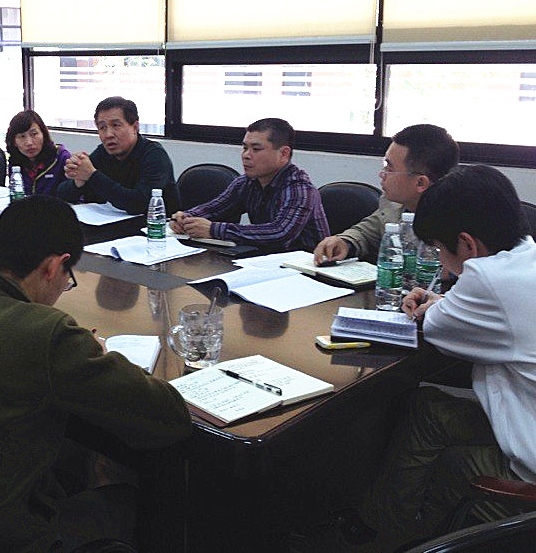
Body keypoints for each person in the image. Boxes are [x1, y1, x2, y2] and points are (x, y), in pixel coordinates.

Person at [0, 196, 191, 551]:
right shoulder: (47, 332)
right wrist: (101, 356)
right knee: (133, 496)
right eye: (68, 279)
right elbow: (169, 417)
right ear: (54, 266)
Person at [350, 165, 536, 548]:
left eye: (437, 249)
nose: (439, 259)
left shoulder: (487, 278)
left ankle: (397, 538)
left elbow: (434, 327)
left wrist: (433, 305)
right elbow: (478, 312)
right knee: (429, 409)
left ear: (467, 245)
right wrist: (446, 302)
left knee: (451, 465)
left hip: (529, 472)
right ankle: (382, 520)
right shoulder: (526, 256)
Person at [170, 118, 329, 252]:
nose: (246, 155)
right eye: (245, 148)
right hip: (264, 263)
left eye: (256, 149)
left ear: (283, 154)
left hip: (304, 270)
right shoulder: (247, 182)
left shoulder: (300, 188)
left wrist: (214, 230)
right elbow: (215, 208)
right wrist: (186, 218)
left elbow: (279, 234)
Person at [313, 124, 459, 265]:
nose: (382, 174)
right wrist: (346, 242)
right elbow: (368, 231)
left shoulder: (454, 223)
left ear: (420, 183)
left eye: (389, 168)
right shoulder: (395, 203)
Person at [56, 96, 179, 214]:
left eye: (115, 125)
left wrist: (92, 175)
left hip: (156, 226)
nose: (108, 134)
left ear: (135, 127)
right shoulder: (102, 153)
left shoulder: (154, 155)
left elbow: (139, 203)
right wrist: (79, 181)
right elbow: (62, 195)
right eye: (102, 127)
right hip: (111, 223)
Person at [6, 109, 70, 196]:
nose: (29, 142)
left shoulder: (61, 158)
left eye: (34, 134)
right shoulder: (15, 162)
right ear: (14, 142)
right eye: (22, 136)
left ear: (43, 134)